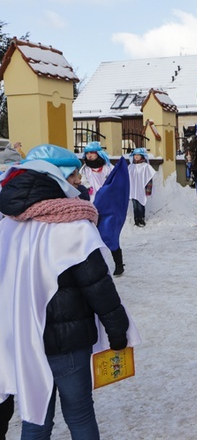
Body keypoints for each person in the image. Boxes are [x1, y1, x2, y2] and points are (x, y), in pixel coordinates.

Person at [0, 144, 139, 438]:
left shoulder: (9, 223)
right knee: (79, 413)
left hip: (25, 341)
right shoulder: (72, 224)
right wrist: (118, 329)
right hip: (69, 341)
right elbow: (97, 284)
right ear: (58, 177)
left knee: (35, 418)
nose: (79, 181)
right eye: (74, 175)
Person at [80, 141, 129, 276]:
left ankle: (119, 264)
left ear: (98, 153)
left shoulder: (108, 168)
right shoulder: (84, 170)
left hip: (108, 206)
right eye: (88, 153)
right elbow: (82, 182)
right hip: (92, 205)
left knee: (110, 233)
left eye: (92, 153)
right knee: (92, 235)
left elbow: (115, 182)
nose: (90, 156)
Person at [128, 148, 156, 227]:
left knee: (141, 204)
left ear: (142, 156)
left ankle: (141, 218)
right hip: (133, 189)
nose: (136, 157)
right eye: (135, 155)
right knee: (134, 204)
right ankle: (136, 219)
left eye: (138, 155)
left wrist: (148, 189)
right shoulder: (130, 167)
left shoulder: (145, 166)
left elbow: (149, 178)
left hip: (141, 188)